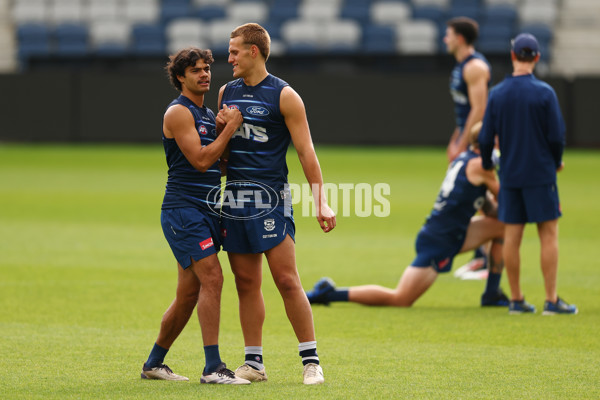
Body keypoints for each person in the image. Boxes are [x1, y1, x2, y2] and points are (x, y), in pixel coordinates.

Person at [217, 23, 336, 385]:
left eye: (235, 51)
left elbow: (306, 151)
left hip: (272, 199)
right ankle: (254, 364)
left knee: (286, 279)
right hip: (235, 198)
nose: (229, 57)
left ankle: (311, 361)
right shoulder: (226, 92)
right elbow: (222, 151)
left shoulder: (285, 95)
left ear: (254, 51)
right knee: (245, 282)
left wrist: (322, 201)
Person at [307, 122, 508, 308]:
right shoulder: (482, 166)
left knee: (502, 226)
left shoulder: (465, 159)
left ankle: (491, 293)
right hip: (441, 239)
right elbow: (507, 201)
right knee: (401, 298)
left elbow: (492, 209)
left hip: (453, 231)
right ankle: (330, 293)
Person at [141, 47, 250, 384]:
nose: (205, 74)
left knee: (189, 294)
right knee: (213, 279)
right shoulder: (178, 113)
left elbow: (219, 163)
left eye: (206, 69)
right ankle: (213, 368)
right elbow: (201, 162)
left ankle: (154, 364)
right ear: (180, 78)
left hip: (205, 208)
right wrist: (229, 129)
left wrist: (223, 130)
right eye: (196, 71)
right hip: (183, 210)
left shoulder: (205, 114)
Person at [479, 33, 578, 315]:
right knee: (548, 235)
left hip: (510, 175)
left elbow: (486, 137)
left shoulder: (497, 93)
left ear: (512, 56)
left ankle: (516, 299)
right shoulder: (545, 92)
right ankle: (551, 299)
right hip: (540, 174)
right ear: (536, 57)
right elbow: (557, 136)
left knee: (512, 237)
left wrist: (488, 164)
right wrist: (556, 161)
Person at [444, 17, 493, 278]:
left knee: (482, 195)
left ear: (460, 38)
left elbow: (480, 109)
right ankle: (482, 257)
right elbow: (464, 112)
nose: (445, 39)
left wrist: (462, 144)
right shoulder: (461, 66)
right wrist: (455, 139)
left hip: (481, 141)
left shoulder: (474, 67)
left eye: (449, 34)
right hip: (468, 138)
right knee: (480, 197)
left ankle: (485, 259)